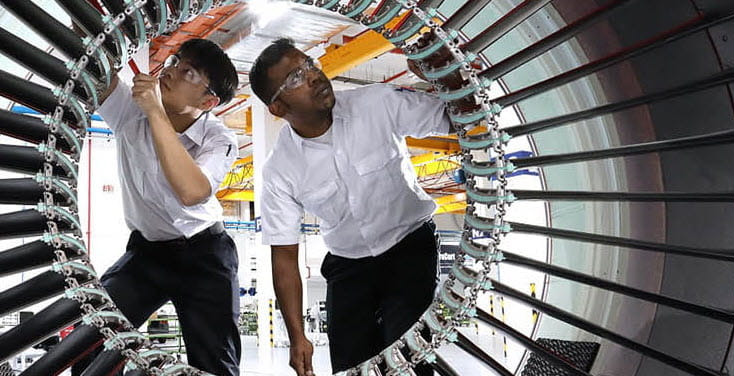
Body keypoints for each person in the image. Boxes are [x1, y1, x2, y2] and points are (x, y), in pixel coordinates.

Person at [250, 38, 452, 376]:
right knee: (349, 364)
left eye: (309, 64)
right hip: (348, 265)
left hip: (409, 249)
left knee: (408, 358)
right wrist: (297, 336)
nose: (313, 76)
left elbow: (455, 119)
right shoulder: (280, 169)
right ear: (278, 107)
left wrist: (445, 76)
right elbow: (284, 255)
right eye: (296, 78)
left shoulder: (377, 103)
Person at [71, 38, 241, 376]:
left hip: (205, 255)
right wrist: (95, 27)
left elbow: (192, 191)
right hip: (147, 254)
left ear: (208, 101)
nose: (171, 71)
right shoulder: (129, 111)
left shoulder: (219, 139)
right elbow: (93, 64)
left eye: (188, 72)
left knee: (216, 365)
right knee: (90, 339)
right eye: (175, 61)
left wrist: (155, 112)